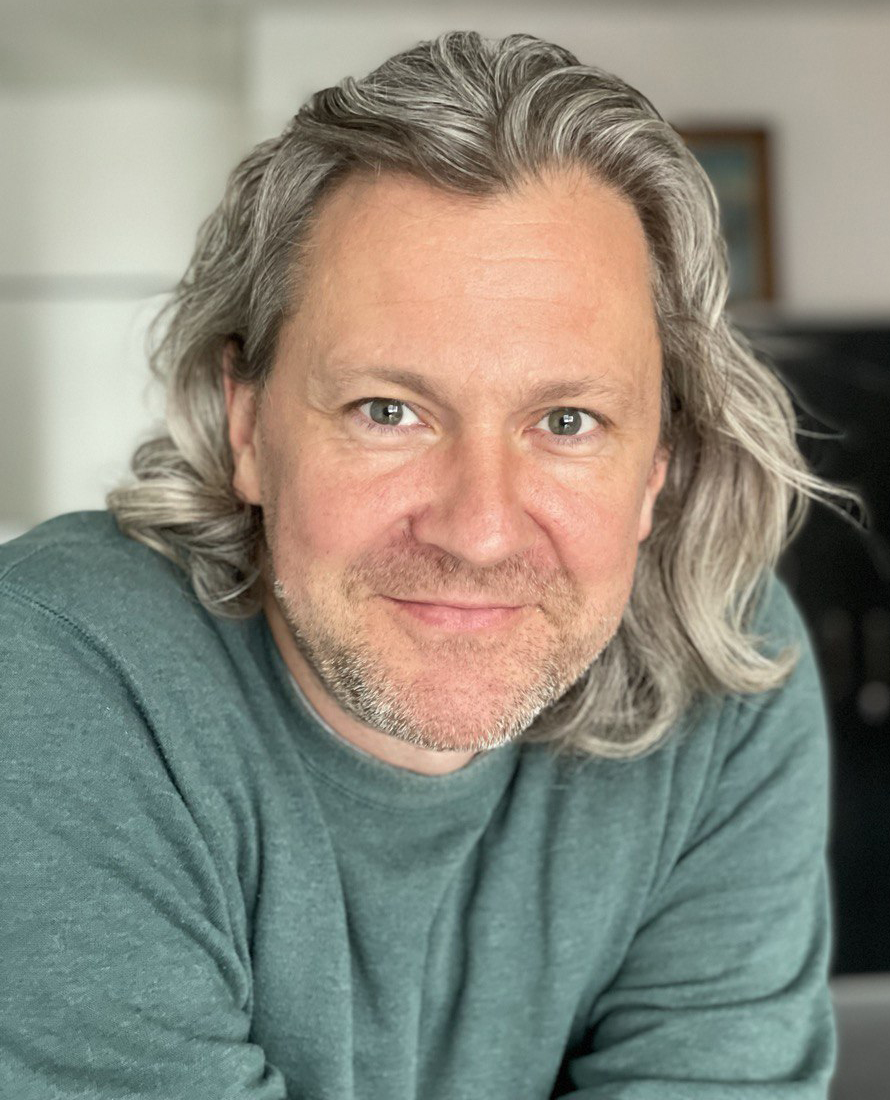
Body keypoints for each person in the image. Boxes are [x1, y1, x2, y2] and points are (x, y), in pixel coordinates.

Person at [0, 30, 846, 1100]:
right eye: (387, 410)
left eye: (568, 419)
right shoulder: (52, 671)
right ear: (248, 421)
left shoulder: (726, 660)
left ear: (657, 466)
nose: (478, 528)